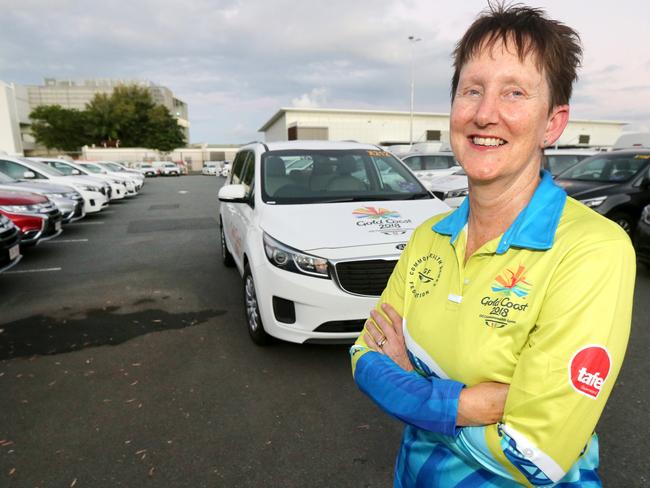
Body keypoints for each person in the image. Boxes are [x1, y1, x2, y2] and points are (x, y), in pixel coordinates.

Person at [350, 3, 636, 487]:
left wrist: (413, 388)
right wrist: (468, 404)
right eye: (472, 90)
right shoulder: (429, 236)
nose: (485, 114)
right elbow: (364, 356)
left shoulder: (594, 250)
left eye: (515, 92)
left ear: (552, 122)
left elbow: (534, 455)